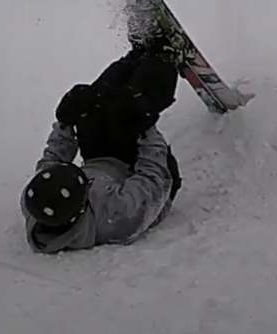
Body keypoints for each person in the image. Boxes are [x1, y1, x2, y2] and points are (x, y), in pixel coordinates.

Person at [20, 26, 186, 254]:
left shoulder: (36, 201)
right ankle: (166, 54)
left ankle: (137, 56)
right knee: (129, 109)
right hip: (151, 180)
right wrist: (145, 125)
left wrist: (66, 121)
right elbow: (154, 175)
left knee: (93, 103)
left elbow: (52, 158)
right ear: (81, 209)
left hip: (104, 161)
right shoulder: (118, 216)